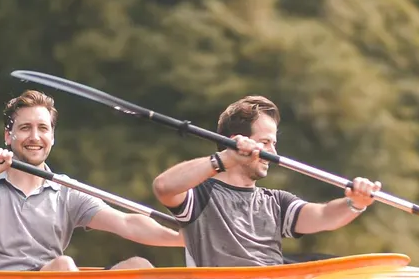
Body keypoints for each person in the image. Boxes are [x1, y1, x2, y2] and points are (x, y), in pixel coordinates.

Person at [0, 89, 183, 271]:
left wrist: (183, 239)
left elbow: (127, 222)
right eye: (25, 128)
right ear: (9, 136)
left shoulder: (66, 190)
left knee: (139, 266)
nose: (35, 137)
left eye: (43, 128)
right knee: (64, 265)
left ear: (53, 137)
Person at [152, 95, 381, 267]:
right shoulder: (200, 195)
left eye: (274, 143)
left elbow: (323, 216)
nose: (273, 152)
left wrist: (354, 203)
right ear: (236, 142)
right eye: (265, 142)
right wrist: (226, 158)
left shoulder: (277, 201)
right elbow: (164, 187)